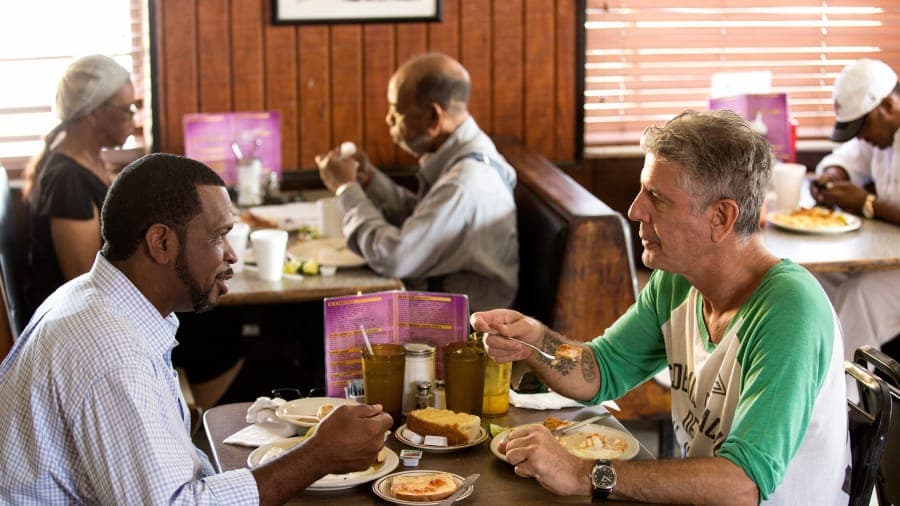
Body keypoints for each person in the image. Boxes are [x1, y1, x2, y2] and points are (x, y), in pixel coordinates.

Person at [471, 110, 850, 505]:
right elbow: (602, 370)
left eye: (657, 197)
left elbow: (741, 485)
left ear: (720, 217)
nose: (635, 210)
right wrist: (534, 341)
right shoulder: (678, 279)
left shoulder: (791, 312)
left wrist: (584, 474)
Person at [0, 153, 393, 504]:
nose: (232, 254)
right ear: (161, 243)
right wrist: (318, 455)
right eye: (219, 236)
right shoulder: (112, 353)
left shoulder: (93, 296)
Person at [315, 52, 518, 312]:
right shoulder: (466, 153)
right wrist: (370, 182)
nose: (388, 119)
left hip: (463, 339)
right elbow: (426, 219)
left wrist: (346, 189)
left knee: (322, 319)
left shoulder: (465, 184)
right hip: (436, 314)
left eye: (396, 111)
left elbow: (396, 256)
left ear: (434, 117)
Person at [22, 54, 135, 321]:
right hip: (75, 322)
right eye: (126, 109)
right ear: (94, 113)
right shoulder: (66, 181)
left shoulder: (90, 160)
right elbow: (84, 282)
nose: (134, 118)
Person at [810, 58, 900, 361]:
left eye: (862, 126)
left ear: (886, 106)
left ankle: (843, 400)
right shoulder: (880, 136)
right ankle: (810, 369)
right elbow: (846, 158)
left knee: (860, 294)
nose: (860, 135)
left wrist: (866, 203)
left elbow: (868, 201)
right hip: (889, 255)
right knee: (812, 279)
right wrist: (832, 176)